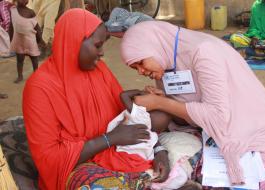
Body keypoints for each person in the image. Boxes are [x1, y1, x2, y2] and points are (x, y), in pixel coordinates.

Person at [23, 9, 170, 190]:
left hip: (116, 151)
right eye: (97, 45)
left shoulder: (99, 71)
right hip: (77, 167)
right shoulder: (40, 88)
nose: (101, 54)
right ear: (74, 43)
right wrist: (110, 139)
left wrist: (159, 151)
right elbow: (49, 159)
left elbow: (128, 118)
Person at [120, 21, 265, 188]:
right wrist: (166, 101)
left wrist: (161, 103)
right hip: (210, 132)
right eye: (135, 68)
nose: (141, 71)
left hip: (249, 127)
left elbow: (217, 117)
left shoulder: (203, 51)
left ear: (154, 45)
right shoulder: (165, 60)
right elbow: (189, 119)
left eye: (141, 62)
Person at [10, 0, 44, 83]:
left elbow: (37, 28)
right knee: (20, 59)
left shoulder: (30, 12)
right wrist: (10, 38)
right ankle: (20, 76)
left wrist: (40, 40)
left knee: (34, 58)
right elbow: (11, 26)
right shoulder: (13, 10)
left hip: (30, 40)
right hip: (19, 40)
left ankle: (36, 75)